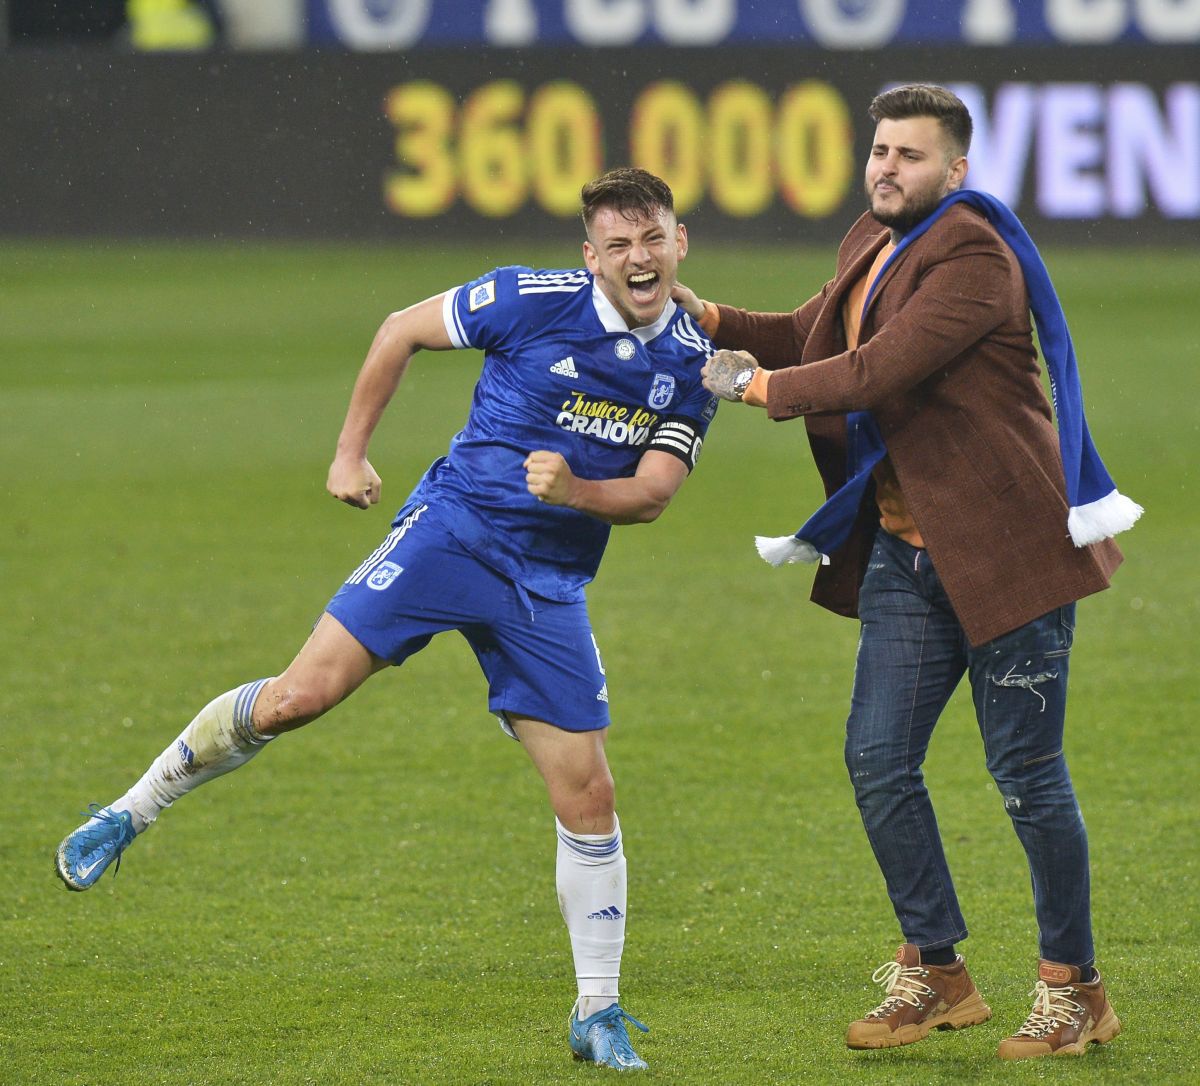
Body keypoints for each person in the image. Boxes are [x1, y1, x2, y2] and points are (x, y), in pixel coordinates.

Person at [55, 167, 719, 1072]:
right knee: (298, 697)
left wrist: (576, 490)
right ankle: (128, 814)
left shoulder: (693, 364)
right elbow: (400, 329)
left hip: (548, 585)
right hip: (452, 532)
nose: (638, 259)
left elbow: (652, 496)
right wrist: (349, 454)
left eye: (653, 240)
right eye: (618, 245)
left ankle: (596, 1012)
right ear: (590, 255)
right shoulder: (527, 297)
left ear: (680, 242)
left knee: (589, 794)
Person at [674, 84, 1137, 1061]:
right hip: (907, 556)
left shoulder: (974, 256)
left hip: (1011, 557)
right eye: (880, 149)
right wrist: (712, 317)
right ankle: (936, 971)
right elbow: (817, 333)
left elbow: (874, 370)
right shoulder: (874, 236)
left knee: (1026, 779)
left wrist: (751, 387)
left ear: (956, 172)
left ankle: (1074, 989)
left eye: (910, 156)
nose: (887, 167)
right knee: (879, 763)